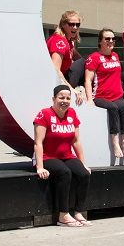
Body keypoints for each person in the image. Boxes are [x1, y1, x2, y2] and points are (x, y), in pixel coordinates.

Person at [34, 85, 91, 227]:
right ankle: (63, 215)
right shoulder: (44, 114)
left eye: (67, 98)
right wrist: (40, 167)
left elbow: (76, 141)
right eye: (61, 97)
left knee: (84, 174)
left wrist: (83, 163)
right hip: (47, 157)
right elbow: (38, 143)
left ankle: (78, 212)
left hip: (66, 156)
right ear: (53, 99)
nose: (64, 101)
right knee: (65, 173)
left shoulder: (72, 113)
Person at [84, 28, 124, 159]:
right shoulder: (94, 58)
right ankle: (115, 144)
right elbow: (88, 80)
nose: (111, 41)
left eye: (113, 39)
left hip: (117, 96)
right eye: (107, 39)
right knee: (113, 108)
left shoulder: (115, 56)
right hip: (100, 96)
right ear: (100, 41)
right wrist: (89, 99)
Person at [48, 10, 86, 102]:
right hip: (58, 80)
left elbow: (76, 55)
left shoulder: (67, 41)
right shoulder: (59, 41)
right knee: (84, 62)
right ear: (63, 24)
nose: (75, 27)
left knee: (89, 62)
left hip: (65, 75)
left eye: (77, 25)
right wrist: (71, 89)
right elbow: (55, 70)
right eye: (71, 24)